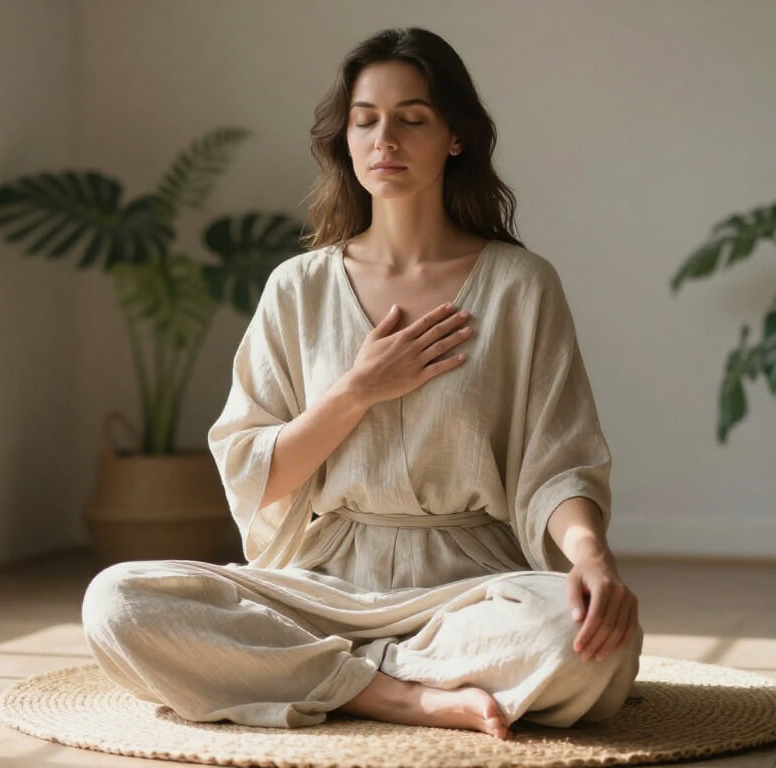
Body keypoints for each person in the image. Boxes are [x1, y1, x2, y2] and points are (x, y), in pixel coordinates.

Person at [82, 26, 642, 741]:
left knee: (588, 642)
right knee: (119, 603)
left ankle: (327, 675)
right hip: (323, 583)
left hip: (468, 588)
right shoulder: (298, 288)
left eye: (412, 120)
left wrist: (593, 561)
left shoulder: (520, 286)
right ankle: (403, 697)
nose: (387, 140)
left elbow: (557, 463)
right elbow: (259, 472)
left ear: (456, 138)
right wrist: (358, 390)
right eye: (365, 120)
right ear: (343, 139)